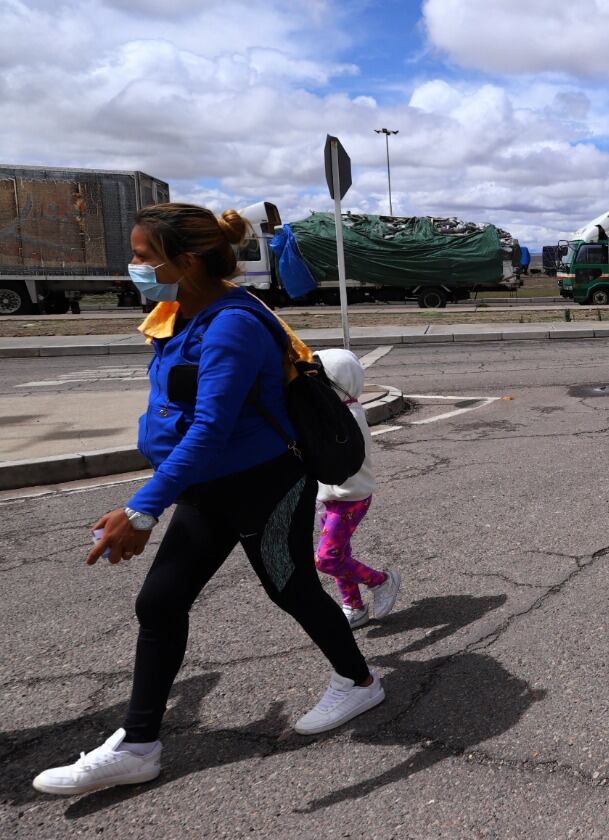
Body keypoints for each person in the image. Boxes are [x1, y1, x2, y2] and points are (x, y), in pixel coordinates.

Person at [33, 203, 383, 797]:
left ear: (187, 261)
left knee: (292, 588)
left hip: (263, 485)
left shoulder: (230, 325)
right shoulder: (181, 313)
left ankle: (359, 682)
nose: (133, 267)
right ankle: (139, 746)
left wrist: (142, 508)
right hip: (205, 487)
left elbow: (210, 429)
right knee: (160, 602)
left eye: (142, 256)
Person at [313, 348, 401, 628]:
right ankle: (353, 605)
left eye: (321, 379)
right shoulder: (337, 410)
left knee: (327, 559)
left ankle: (381, 581)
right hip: (330, 496)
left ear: (339, 381)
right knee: (341, 554)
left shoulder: (348, 415)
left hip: (350, 499)